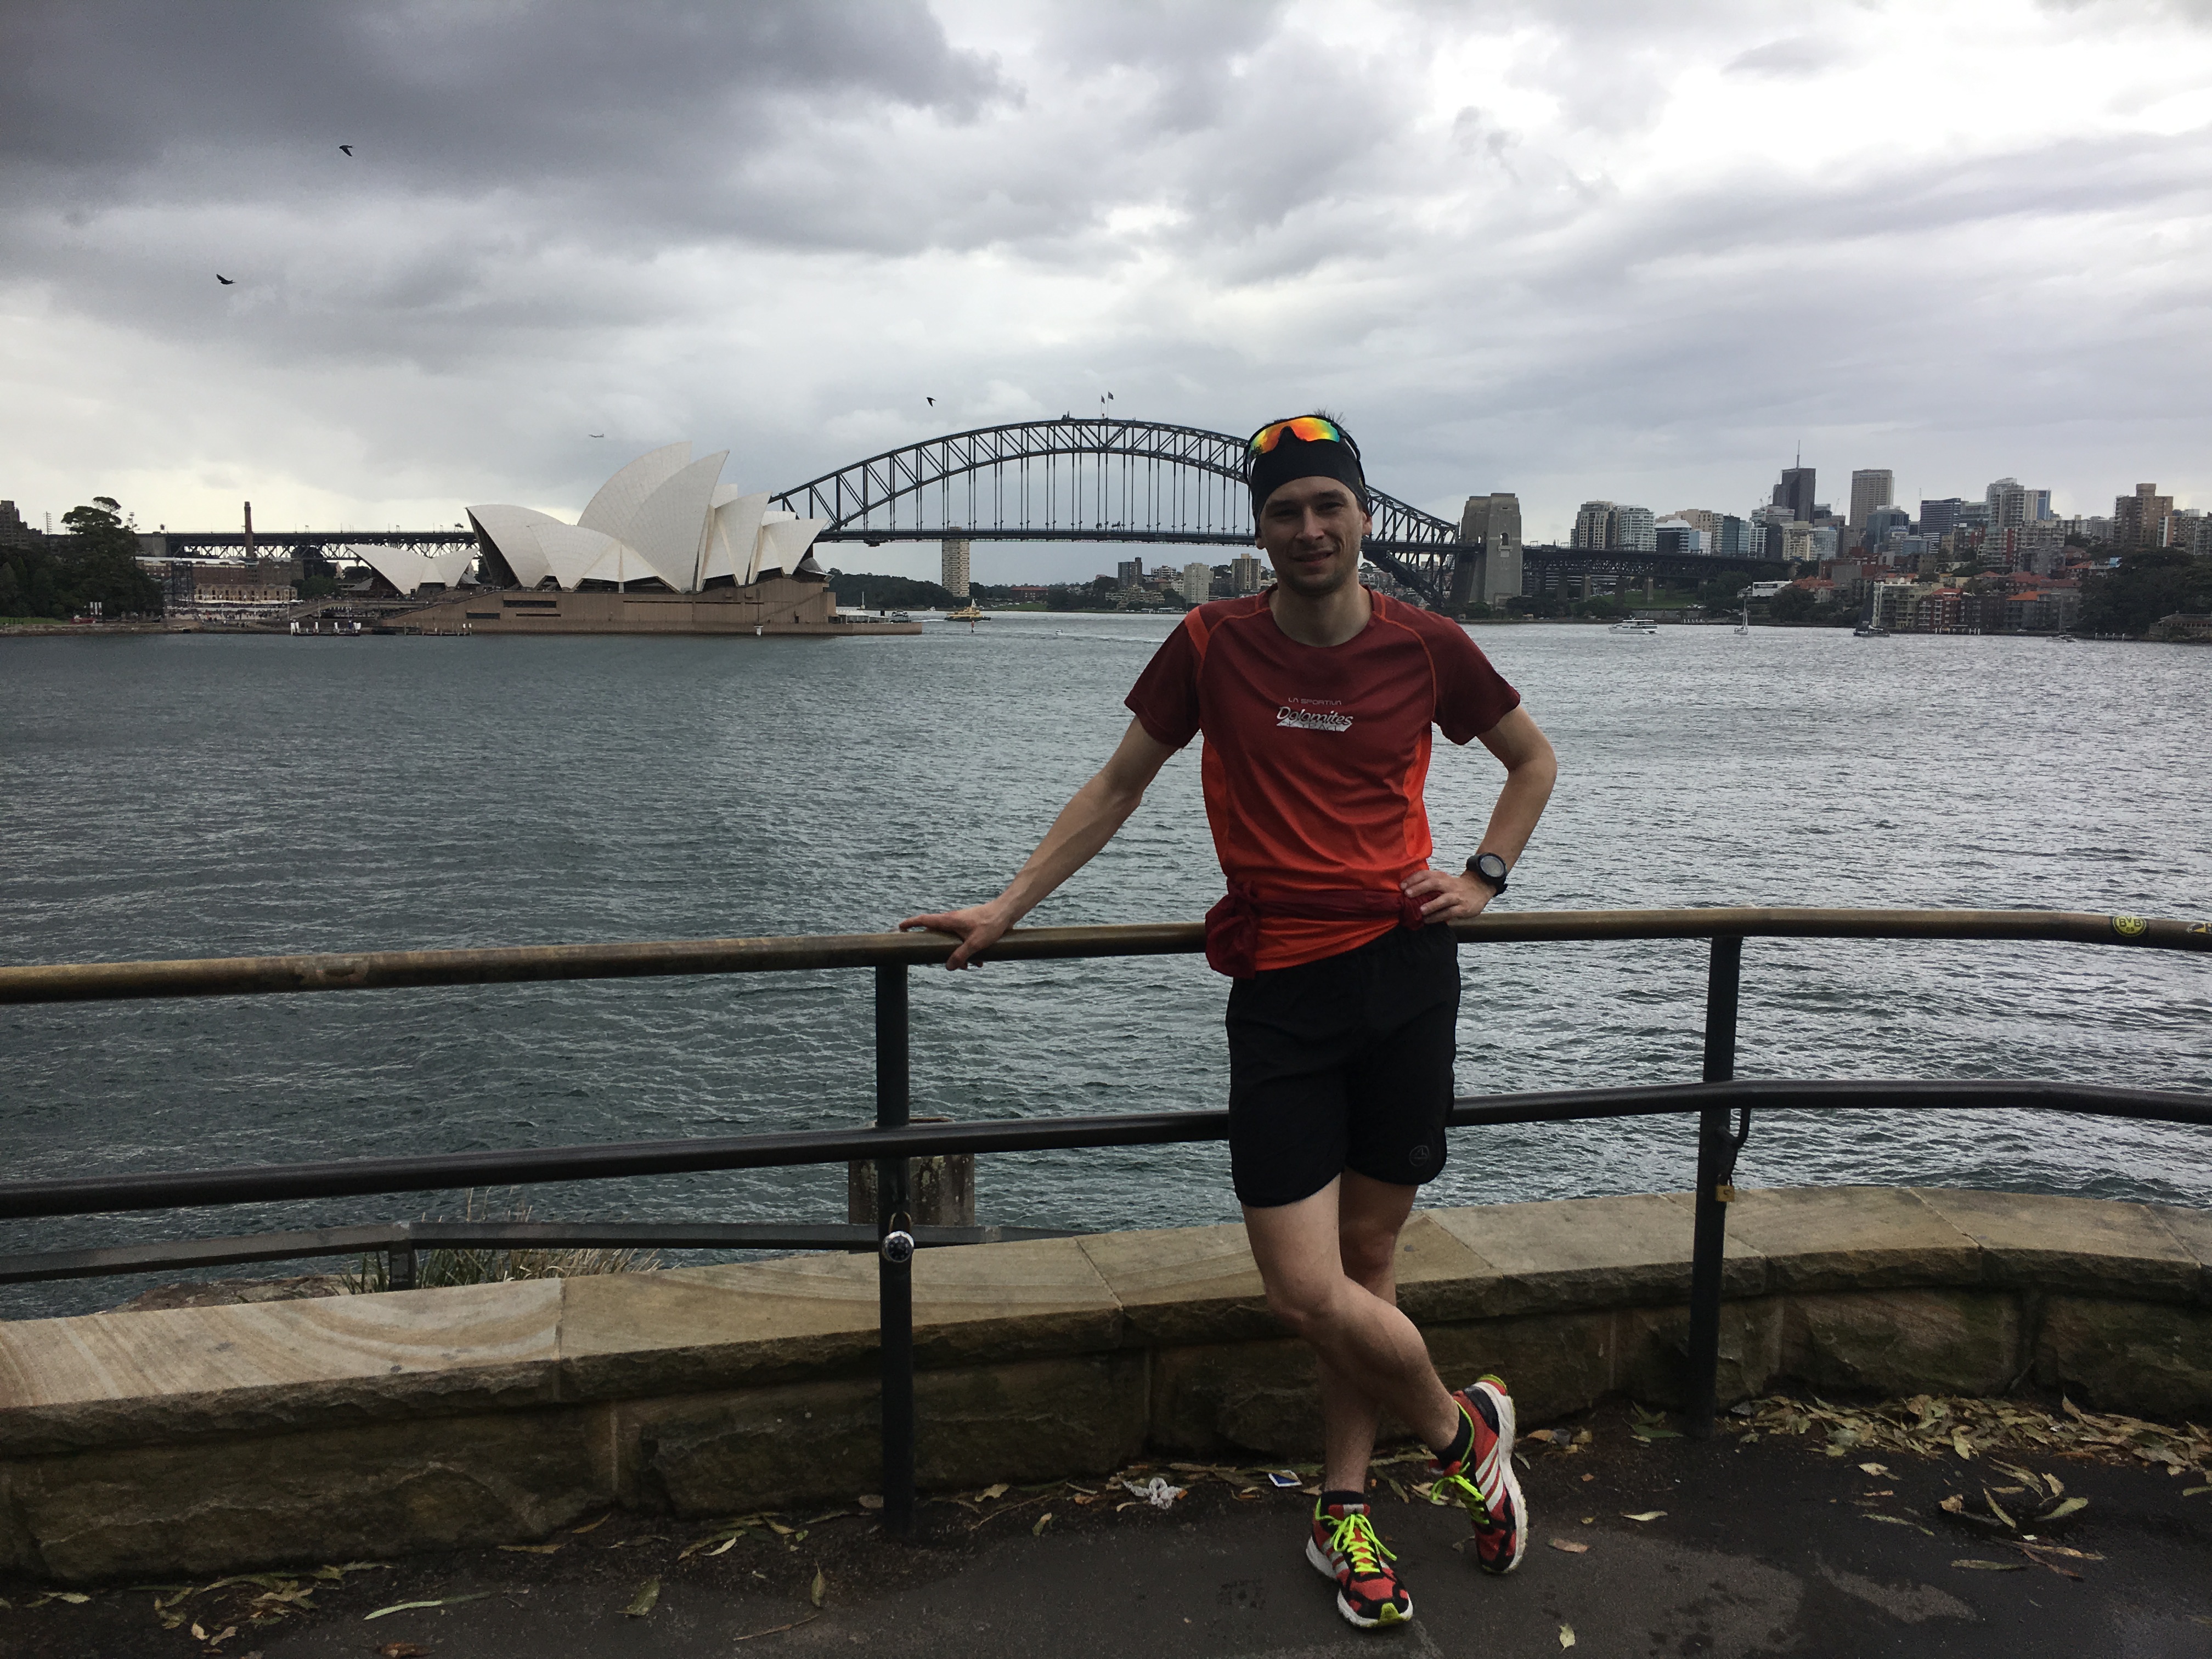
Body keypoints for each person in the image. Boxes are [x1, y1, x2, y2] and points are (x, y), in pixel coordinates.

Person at [900, 413, 1558, 1632]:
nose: (1308, 529)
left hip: (1406, 979)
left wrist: (1485, 874)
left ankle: (1343, 1508)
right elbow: (1118, 785)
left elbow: (1532, 761)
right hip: (1281, 991)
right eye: (1284, 511)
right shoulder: (1209, 642)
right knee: (1303, 1288)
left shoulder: (1428, 643)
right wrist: (1008, 904)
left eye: (1327, 506)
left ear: (1362, 518)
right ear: (1260, 530)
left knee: (1368, 1263)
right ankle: (1463, 1433)